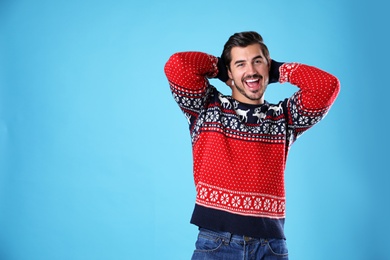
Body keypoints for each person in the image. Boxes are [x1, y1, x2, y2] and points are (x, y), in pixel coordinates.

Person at [164, 31, 340, 260]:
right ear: (229, 71)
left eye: (257, 61)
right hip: (217, 242)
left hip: (271, 246)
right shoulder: (206, 107)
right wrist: (221, 67)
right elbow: (178, 66)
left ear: (268, 66)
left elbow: (327, 86)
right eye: (240, 64)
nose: (251, 70)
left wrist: (277, 70)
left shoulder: (284, 118)